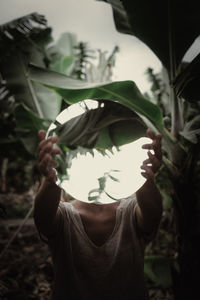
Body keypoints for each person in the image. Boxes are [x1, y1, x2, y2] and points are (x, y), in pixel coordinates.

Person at [34, 128, 163, 300]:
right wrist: (50, 179)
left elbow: (152, 216)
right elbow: (43, 219)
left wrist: (146, 177)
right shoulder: (66, 215)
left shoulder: (130, 211)